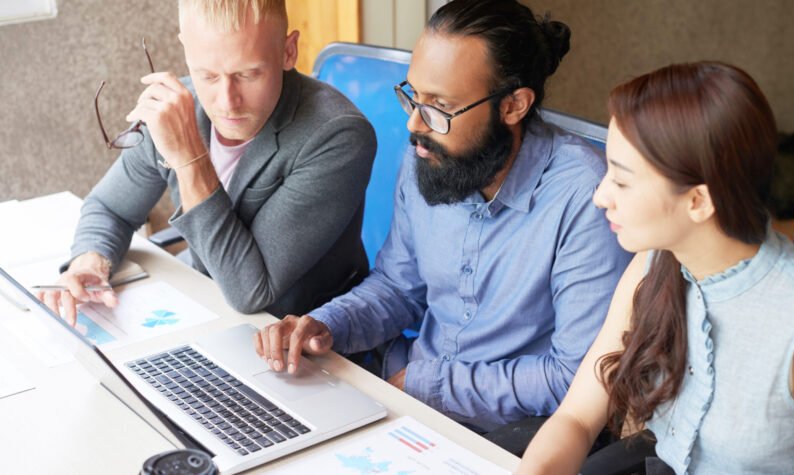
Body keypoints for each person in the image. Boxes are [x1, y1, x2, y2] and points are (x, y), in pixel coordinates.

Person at [254, 0, 630, 433]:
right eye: (413, 95)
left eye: (440, 106)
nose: (415, 123)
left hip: (512, 434)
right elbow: (399, 287)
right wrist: (326, 325)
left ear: (513, 106)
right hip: (402, 392)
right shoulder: (430, 152)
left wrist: (429, 386)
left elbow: (577, 377)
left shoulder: (585, 196)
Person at [517, 62, 794, 474]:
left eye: (621, 182)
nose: (600, 196)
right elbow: (577, 418)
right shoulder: (654, 264)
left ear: (698, 202)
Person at [39, 0, 376, 323]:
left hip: (299, 342)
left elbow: (251, 292)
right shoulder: (175, 110)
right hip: (203, 309)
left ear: (288, 51)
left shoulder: (339, 136)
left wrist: (190, 159)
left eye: (248, 75)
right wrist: (90, 261)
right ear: (186, 50)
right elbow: (110, 207)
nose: (227, 102)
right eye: (208, 76)